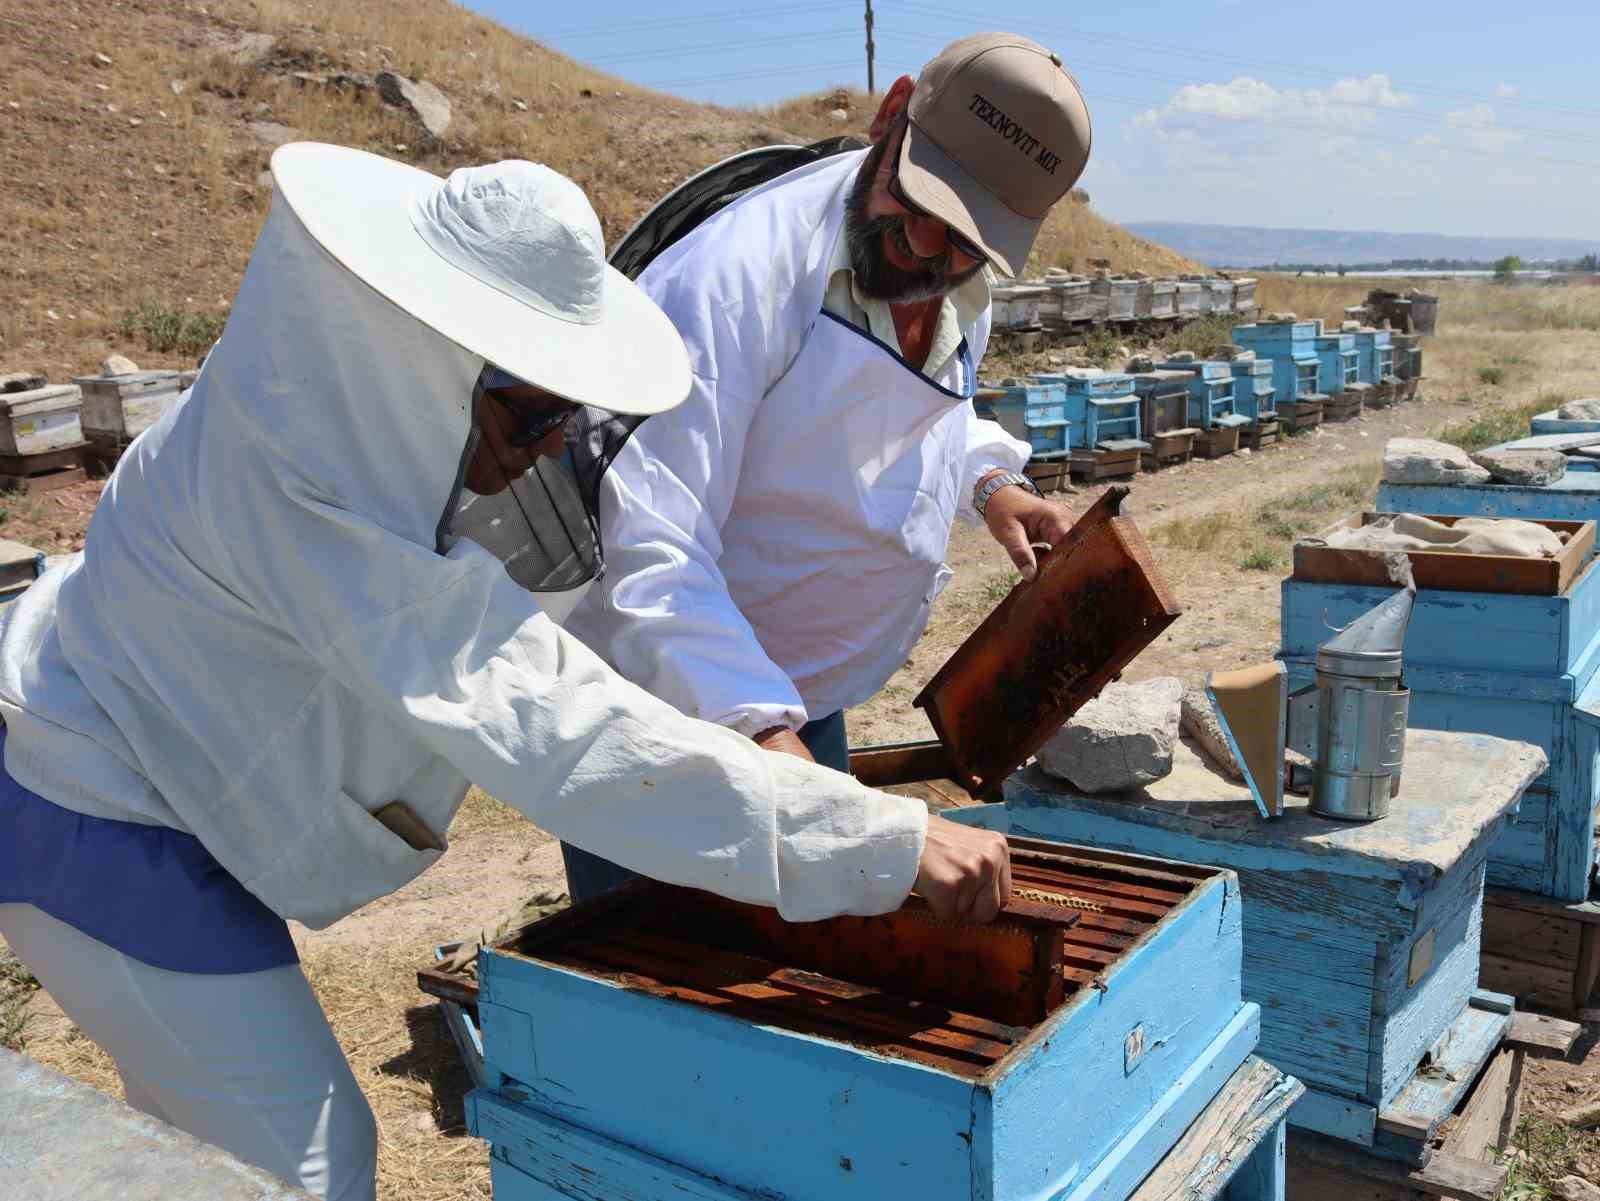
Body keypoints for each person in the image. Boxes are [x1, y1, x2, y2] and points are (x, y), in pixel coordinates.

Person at [0, 144, 1010, 1201]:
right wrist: (878, 838)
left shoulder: (338, 394)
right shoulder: (299, 492)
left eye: (564, 417)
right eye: (526, 413)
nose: (542, 448)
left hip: (158, 772)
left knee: (193, 1150)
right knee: (306, 1164)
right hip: (101, 805)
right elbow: (549, 726)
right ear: (427, 361)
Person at [562, 33, 1093, 898]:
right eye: (919, 207)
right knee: (659, 989)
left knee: (803, 965)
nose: (926, 251)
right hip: (669, 707)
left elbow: (906, 419)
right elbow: (644, 551)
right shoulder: (730, 281)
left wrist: (992, 482)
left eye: (965, 242)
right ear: (892, 114)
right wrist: (787, 770)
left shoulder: (957, 279)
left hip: (803, 689)